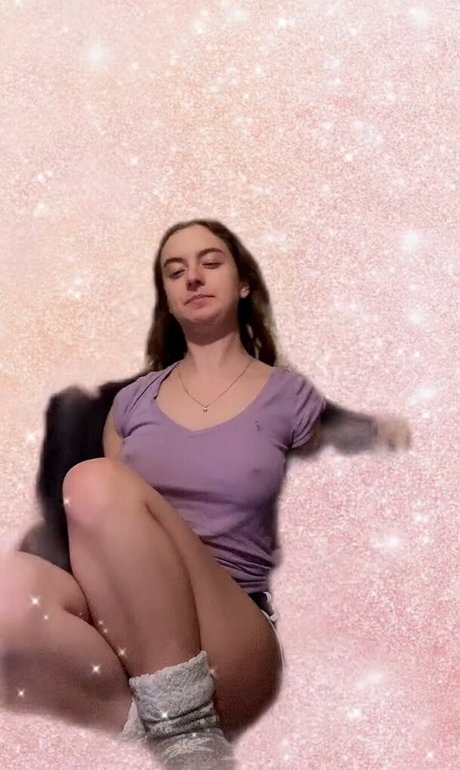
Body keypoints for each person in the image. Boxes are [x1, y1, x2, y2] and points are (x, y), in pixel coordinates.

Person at [0, 218, 410, 769]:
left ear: (243, 284)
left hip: (228, 634)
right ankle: (171, 735)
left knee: (92, 481)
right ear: (168, 300)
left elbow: (350, 438)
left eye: (210, 262)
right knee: (11, 590)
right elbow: (107, 534)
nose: (192, 277)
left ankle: (187, 726)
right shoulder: (131, 403)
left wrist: (391, 431)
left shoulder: (287, 394)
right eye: (175, 272)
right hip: (126, 630)